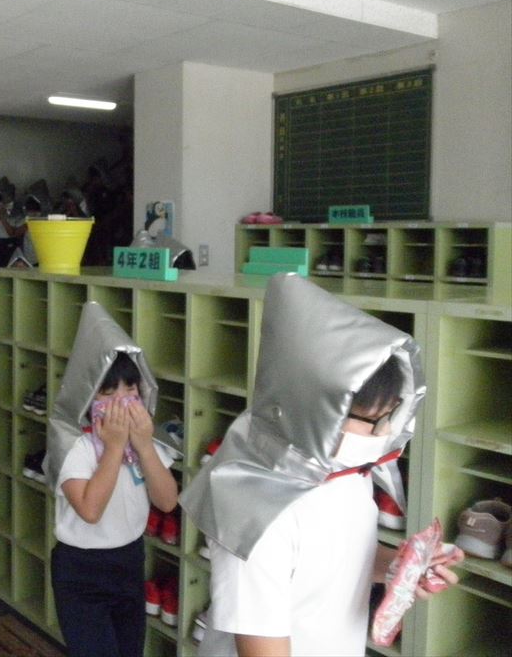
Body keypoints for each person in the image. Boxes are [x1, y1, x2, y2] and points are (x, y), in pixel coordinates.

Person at [180, 274, 463, 657]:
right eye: (371, 421)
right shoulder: (260, 513)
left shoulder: (348, 472)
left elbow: (338, 560)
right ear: (314, 409)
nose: (383, 433)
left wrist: (399, 568)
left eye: (389, 417)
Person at [44, 302, 179, 657]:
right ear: (88, 396)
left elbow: (167, 500)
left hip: (129, 562)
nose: (121, 403)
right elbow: (90, 510)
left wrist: (144, 446)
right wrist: (114, 447)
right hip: (81, 572)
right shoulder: (75, 444)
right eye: (107, 392)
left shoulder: (143, 441)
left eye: (130, 389)